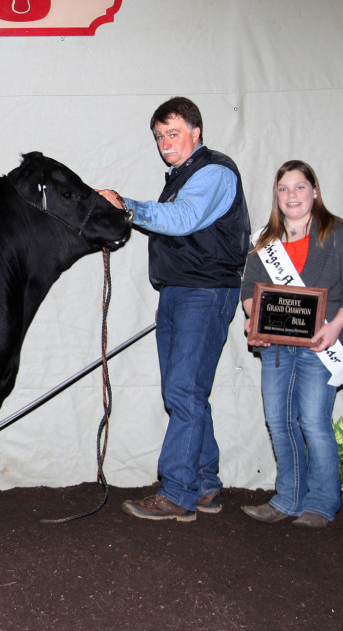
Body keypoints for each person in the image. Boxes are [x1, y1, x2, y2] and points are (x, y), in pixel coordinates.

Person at [99, 96, 250, 521]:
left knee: (183, 391)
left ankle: (178, 493)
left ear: (196, 132)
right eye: (159, 136)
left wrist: (127, 206)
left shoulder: (214, 171)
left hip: (204, 293)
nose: (165, 142)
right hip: (181, 293)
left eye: (173, 133)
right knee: (187, 391)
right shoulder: (181, 176)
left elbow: (182, 219)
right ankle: (205, 484)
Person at [239, 160, 343, 528]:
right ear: (276, 196)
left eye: (299, 187)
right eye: (283, 189)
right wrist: (253, 318)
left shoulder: (335, 232)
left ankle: (322, 505)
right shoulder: (266, 240)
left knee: (313, 422)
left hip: (320, 345)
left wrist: (337, 325)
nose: (291, 195)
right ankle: (288, 499)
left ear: (315, 191)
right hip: (276, 348)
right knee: (279, 421)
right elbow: (248, 290)